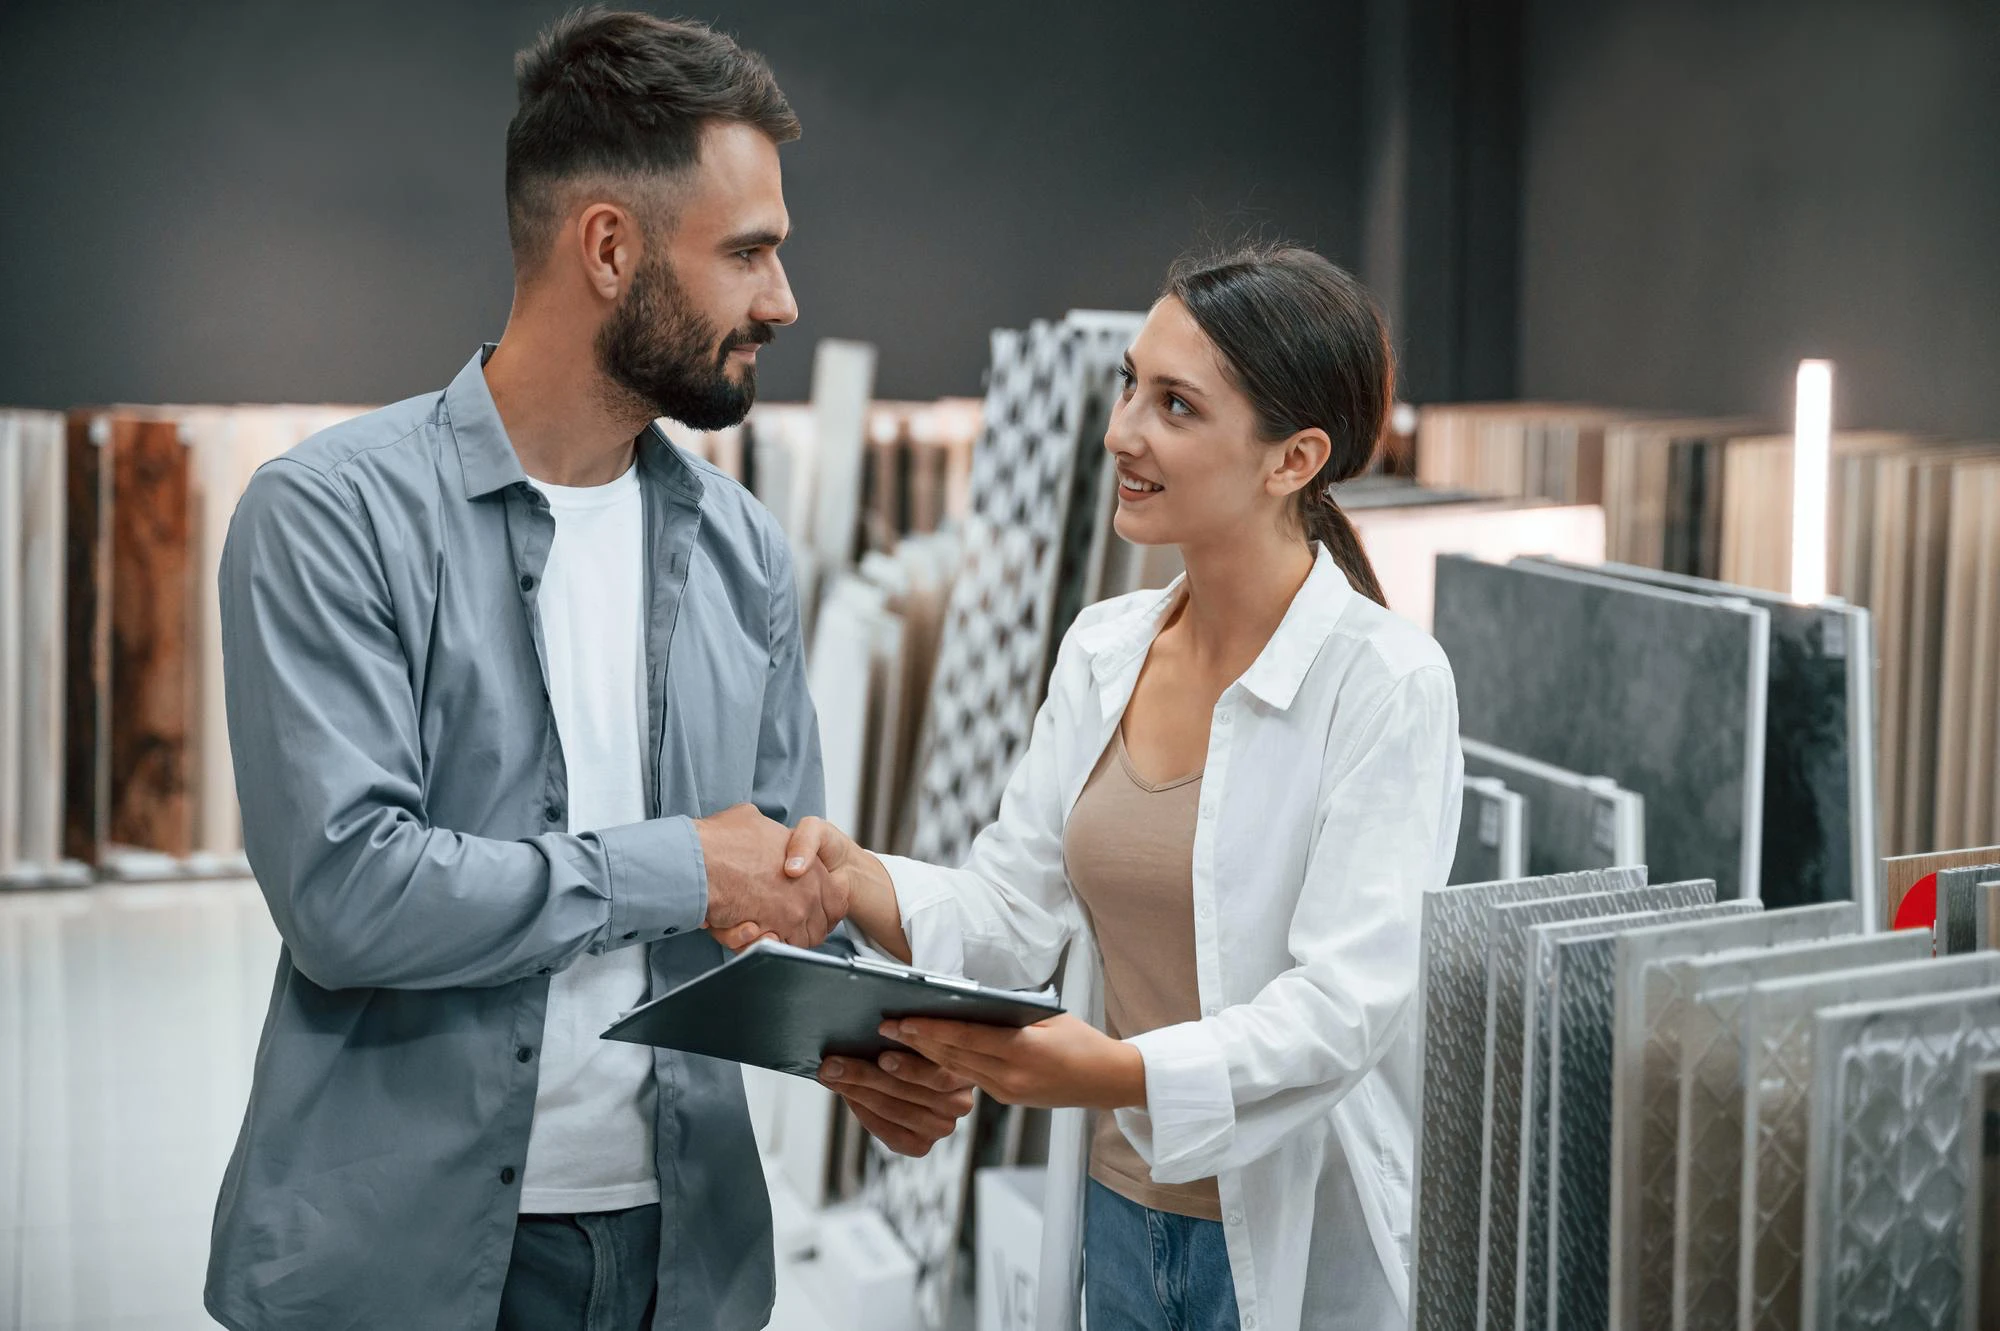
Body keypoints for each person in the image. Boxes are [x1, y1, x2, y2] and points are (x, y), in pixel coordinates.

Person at [205, 13, 972, 1330]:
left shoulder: (740, 549)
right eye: (749, 253)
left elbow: (776, 873)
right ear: (609, 247)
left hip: (689, 1257)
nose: (783, 301)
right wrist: (683, 862)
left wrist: (870, 1044)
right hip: (405, 1262)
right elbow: (346, 890)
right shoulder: (331, 515)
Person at [767, 246, 1464, 1331]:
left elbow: (1342, 1009)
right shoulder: (1103, 648)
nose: (1121, 430)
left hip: (1283, 1235)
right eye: (1126, 384)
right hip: (1112, 1213)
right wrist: (857, 876)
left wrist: (1116, 1072)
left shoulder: (1382, 684)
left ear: (1293, 458)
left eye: (1173, 404)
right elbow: (1005, 917)